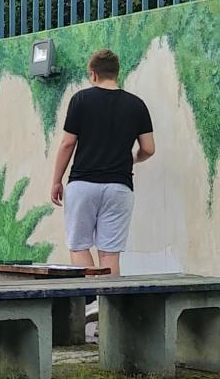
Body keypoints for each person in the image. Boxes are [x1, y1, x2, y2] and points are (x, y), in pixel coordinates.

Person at [50, 49, 155, 278]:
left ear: (93, 74)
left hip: (83, 184)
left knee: (79, 246)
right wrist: (133, 159)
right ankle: (108, 309)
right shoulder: (137, 105)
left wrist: (56, 180)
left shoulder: (81, 100)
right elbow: (148, 148)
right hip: (120, 187)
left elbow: (67, 144)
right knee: (110, 255)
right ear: (117, 73)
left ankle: (89, 305)